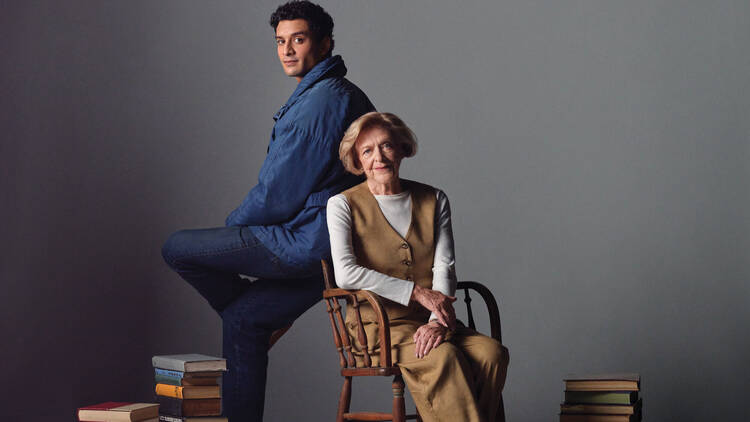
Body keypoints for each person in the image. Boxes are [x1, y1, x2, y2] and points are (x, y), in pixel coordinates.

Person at [161, 2, 375, 421]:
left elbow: (277, 195)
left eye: (299, 39)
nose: (287, 50)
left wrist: (229, 234)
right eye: (280, 41)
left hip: (307, 241)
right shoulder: (331, 93)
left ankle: (243, 301)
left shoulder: (321, 103)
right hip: (333, 250)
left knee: (177, 247)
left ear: (325, 43)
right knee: (244, 320)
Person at [326, 112, 509, 422]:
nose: (379, 157)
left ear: (402, 148)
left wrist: (438, 320)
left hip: (433, 319)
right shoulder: (342, 205)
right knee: (443, 357)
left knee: (492, 354)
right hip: (379, 328)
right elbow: (345, 273)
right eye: (367, 150)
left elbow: (445, 267)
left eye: (386, 146)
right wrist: (418, 293)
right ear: (357, 160)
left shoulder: (434, 198)